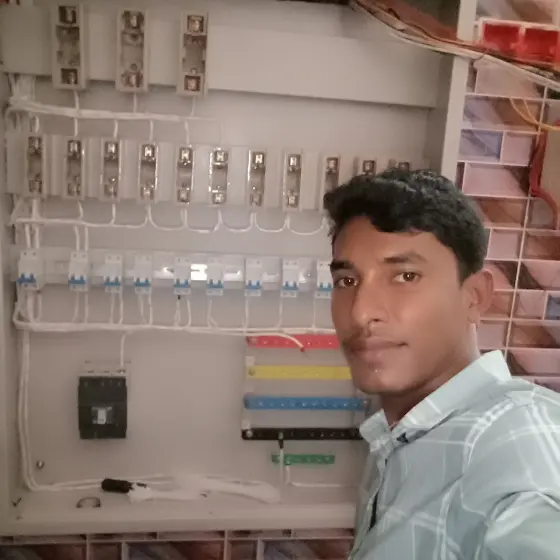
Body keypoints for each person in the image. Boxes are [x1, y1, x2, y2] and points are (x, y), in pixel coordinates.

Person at [323, 169, 560, 560]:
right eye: (347, 281)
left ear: (475, 297)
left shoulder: (515, 441)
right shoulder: (399, 437)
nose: (361, 313)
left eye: (405, 276)